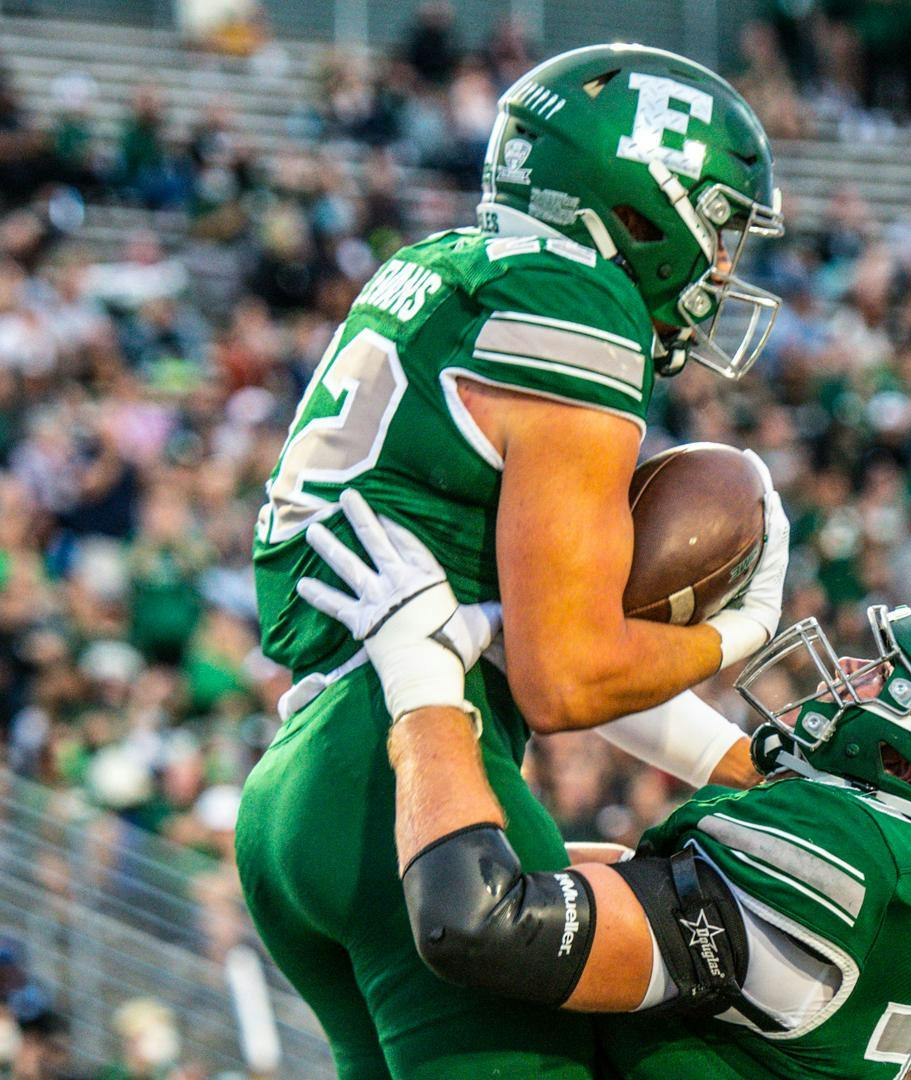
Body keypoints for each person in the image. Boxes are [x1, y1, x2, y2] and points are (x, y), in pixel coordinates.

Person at [235, 44, 793, 1079]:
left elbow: (515, 638)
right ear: (640, 204)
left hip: (308, 778)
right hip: (404, 770)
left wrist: (734, 765)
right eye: (715, 225)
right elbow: (564, 673)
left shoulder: (450, 266)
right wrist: (740, 632)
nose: (721, 266)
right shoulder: (576, 306)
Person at [300, 491, 911, 1078]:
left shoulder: (861, 860)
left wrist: (421, 693)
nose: (846, 673)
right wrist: (532, 648)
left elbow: (477, 920)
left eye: (884, 679)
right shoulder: (894, 882)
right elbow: (599, 879)